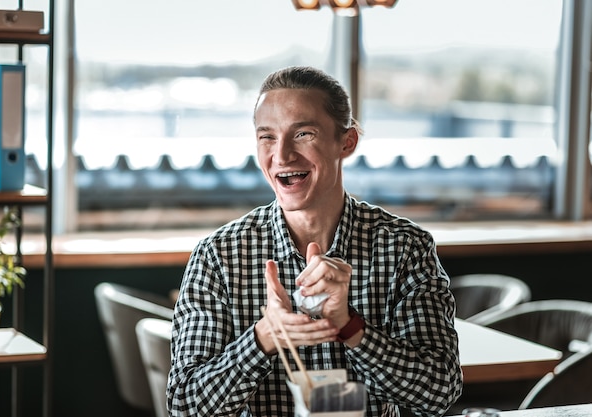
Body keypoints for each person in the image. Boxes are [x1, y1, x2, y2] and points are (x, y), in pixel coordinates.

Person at [167, 66, 462, 417]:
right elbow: (184, 405)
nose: (282, 155)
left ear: (346, 142)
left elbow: (440, 393)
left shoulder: (403, 248)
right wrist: (264, 338)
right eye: (267, 137)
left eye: (303, 133)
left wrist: (350, 327)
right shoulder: (218, 256)